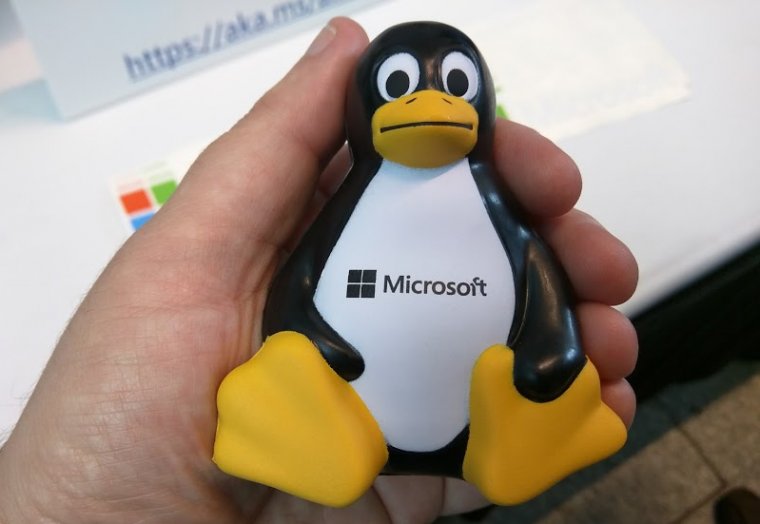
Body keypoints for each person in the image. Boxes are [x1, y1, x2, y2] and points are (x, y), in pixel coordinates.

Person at [0, 18, 638, 523]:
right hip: (351, 408)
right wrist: (314, 340)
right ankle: (316, 439)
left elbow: (536, 278)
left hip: (481, 416)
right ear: (366, 107)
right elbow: (296, 291)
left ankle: (520, 436)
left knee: (553, 378)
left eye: (453, 85)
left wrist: (546, 355)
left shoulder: (492, 207)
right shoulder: (356, 204)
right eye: (397, 85)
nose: (425, 101)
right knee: (290, 365)